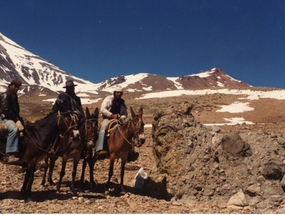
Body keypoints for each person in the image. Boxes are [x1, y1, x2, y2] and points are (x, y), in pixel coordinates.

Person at [96, 85, 127, 154]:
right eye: (117, 92)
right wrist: (112, 115)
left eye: (120, 93)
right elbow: (103, 109)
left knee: (128, 129)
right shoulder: (108, 99)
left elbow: (125, 113)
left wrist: (121, 117)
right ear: (114, 92)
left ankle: (131, 150)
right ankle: (100, 148)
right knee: (103, 129)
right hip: (108, 118)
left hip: (118, 119)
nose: (119, 94)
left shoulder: (122, 102)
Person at [0, 79, 23, 163]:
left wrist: (18, 117)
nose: (16, 88)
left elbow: (15, 108)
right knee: (14, 130)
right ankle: (9, 154)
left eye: (18, 87)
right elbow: (5, 109)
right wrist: (15, 118)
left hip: (12, 117)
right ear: (10, 85)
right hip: (5, 117)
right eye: (15, 86)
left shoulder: (14, 95)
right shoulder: (5, 95)